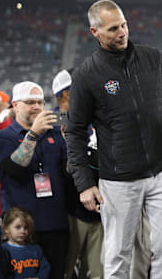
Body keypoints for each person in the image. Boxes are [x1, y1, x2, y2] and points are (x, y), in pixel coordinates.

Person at [65, 0, 162, 278]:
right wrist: (85, 183)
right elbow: (74, 133)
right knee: (118, 253)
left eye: (123, 25)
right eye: (113, 29)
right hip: (119, 179)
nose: (122, 32)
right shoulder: (87, 75)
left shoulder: (152, 57)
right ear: (94, 32)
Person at [0, 81, 69, 279]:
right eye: (30, 102)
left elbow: (69, 171)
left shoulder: (55, 134)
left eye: (40, 102)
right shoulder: (2, 137)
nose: (37, 106)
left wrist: (71, 141)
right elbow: (14, 169)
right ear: (15, 105)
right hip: (20, 229)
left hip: (56, 224)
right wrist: (33, 134)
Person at [53, 69, 103, 279]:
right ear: (67, 92)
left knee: (96, 272)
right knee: (65, 269)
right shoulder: (52, 123)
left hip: (99, 212)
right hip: (69, 212)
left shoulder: (92, 119)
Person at [2, 207, 51, 279]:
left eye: (26, 227)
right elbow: (2, 273)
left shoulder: (35, 249)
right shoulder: (3, 250)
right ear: (6, 229)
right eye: (18, 227)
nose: (22, 231)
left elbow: (45, 267)